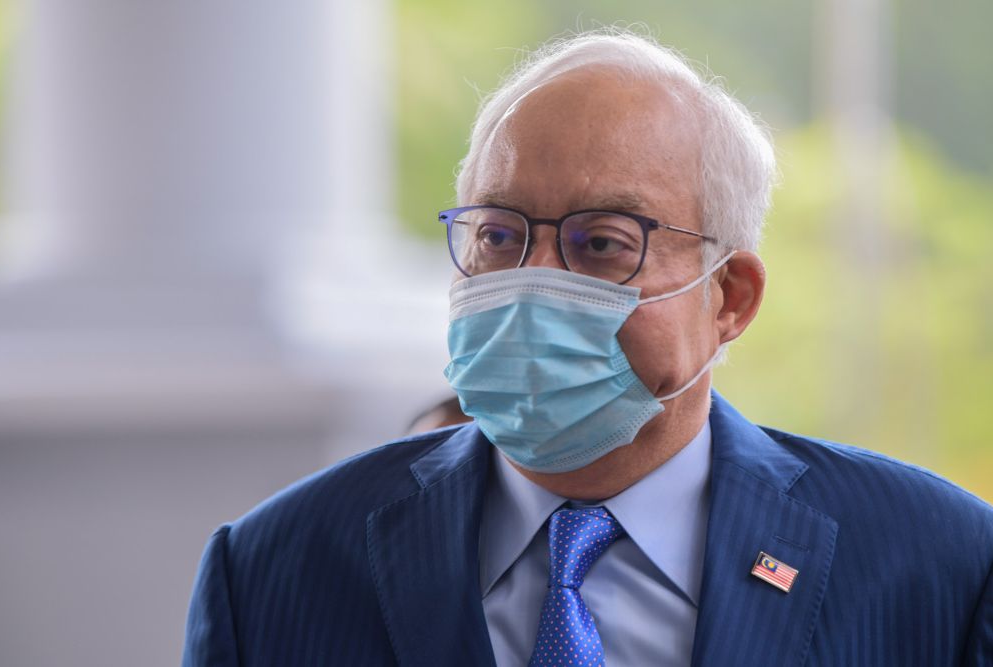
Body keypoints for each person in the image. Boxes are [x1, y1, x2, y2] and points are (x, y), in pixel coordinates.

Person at [183, 31, 993, 666]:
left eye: (603, 242)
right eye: (498, 234)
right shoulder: (271, 571)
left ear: (730, 297)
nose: (532, 281)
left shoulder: (937, 566)